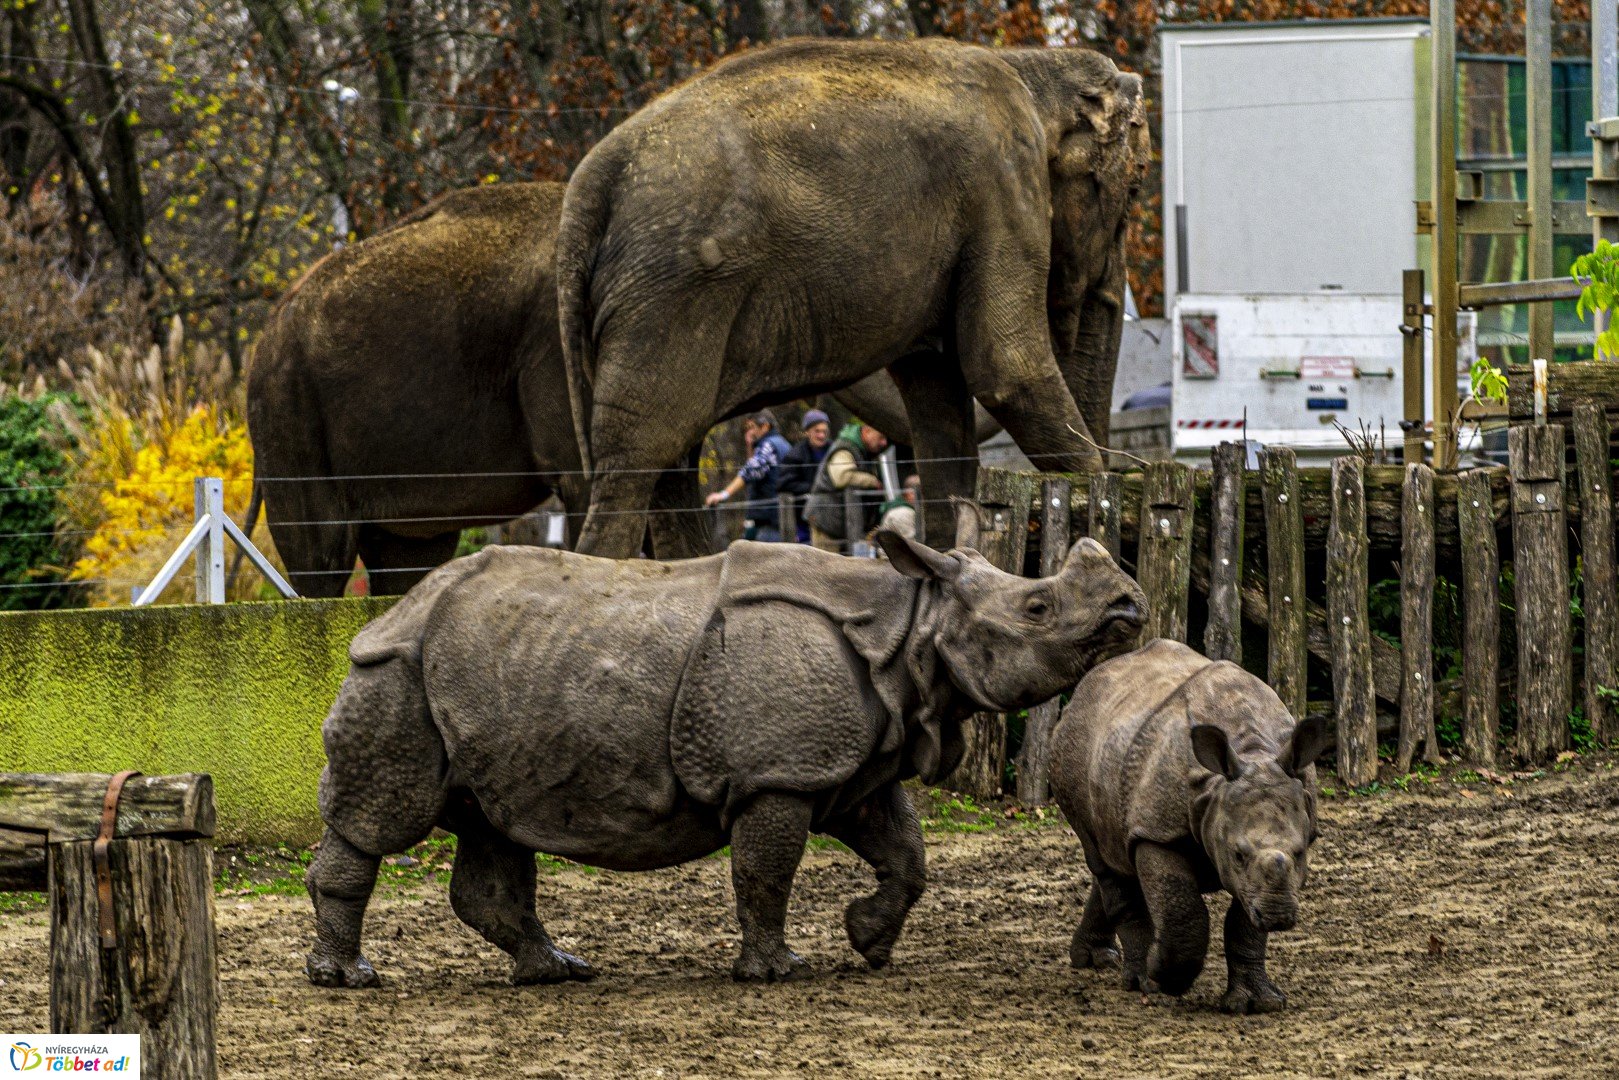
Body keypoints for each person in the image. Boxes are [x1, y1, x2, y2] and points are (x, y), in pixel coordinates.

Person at [705, 410, 793, 542]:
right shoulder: (783, 443)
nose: (750, 432)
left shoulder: (768, 445)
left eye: (752, 427)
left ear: (765, 426)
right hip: (783, 516)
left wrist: (723, 494)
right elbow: (756, 466)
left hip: (770, 520)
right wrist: (750, 445)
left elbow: (750, 472)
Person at [804, 422, 888, 553]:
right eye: (881, 437)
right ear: (866, 432)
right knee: (827, 566)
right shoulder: (845, 448)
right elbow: (841, 477)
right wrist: (871, 481)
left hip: (839, 522)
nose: (884, 443)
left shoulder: (862, 450)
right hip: (827, 521)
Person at [778, 408, 833, 543]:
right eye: (817, 431)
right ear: (807, 431)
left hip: (831, 514)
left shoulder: (834, 450)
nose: (821, 435)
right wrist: (814, 488)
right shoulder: (795, 455)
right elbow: (784, 483)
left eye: (824, 431)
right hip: (803, 517)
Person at [878, 474, 922, 541]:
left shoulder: (908, 510)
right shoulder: (903, 512)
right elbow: (911, 544)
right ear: (910, 493)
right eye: (921, 493)